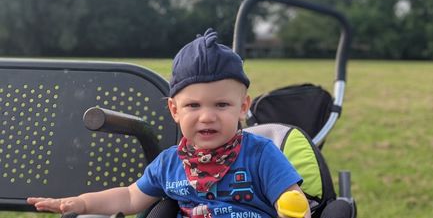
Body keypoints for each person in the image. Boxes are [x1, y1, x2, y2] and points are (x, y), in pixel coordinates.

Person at [28, 29, 310, 218]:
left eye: (221, 105)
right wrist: (83, 202)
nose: (207, 116)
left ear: (243, 107)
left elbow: (291, 198)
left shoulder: (260, 154)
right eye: (193, 106)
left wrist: (292, 206)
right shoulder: (170, 163)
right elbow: (128, 197)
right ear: (174, 110)